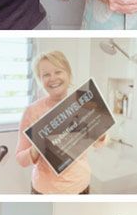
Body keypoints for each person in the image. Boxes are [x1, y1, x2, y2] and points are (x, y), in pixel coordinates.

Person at [16, 50, 106, 194]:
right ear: (40, 80)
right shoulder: (32, 111)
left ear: (68, 74)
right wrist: (36, 148)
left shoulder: (84, 104)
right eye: (46, 74)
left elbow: (99, 143)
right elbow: (21, 159)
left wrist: (101, 132)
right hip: (44, 190)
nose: (53, 78)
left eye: (58, 72)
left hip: (79, 185)